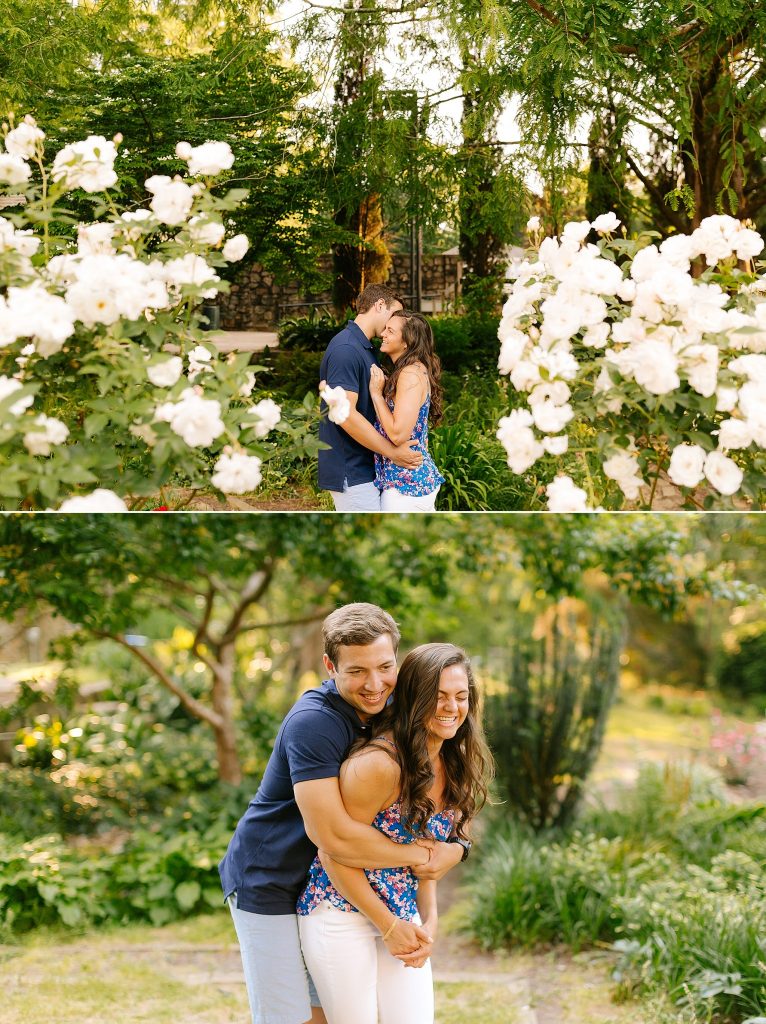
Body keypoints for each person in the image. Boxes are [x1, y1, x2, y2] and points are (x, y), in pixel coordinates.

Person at [218, 604, 463, 1024]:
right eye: (356, 671)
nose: (373, 684)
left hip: (331, 886)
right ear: (330, 666)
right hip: (272, 879)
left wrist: (458, 845)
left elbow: (437, 805)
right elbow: (335, 838)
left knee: (325, 1016)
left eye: (385, 667)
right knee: (290, 1018)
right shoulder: (314, 723)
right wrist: (426, 857)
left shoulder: (393, 707)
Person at [298, 642, 493, 1024]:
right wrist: (386, 925)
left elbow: (431, 857)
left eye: (460, 696)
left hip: (403, 913)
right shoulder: (379, 765)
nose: (451, 708)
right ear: (413, 699)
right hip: (342, 911)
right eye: (437, 697)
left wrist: (429, 918)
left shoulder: (454, 762)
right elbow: (332, 852)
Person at [318, 285, 424, 512]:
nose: (391, 325)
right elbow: (345, 416)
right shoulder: (346, 348)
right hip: (351, 470)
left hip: (366, 467)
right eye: (393, 315)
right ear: (379, 305)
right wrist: (393, 452)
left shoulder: (364, 348)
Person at [370, 310, 445, 512]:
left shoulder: (410, 374)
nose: (383, 334)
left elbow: (398, 434)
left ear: (407, 341)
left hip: (407, 485)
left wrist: (377, 395)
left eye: (390, 331)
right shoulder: (412, 369)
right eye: (385, 328)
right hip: (409, 479)